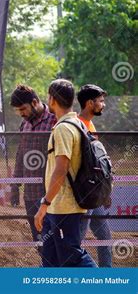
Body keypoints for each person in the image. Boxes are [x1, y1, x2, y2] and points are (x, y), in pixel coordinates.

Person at [34, 79, 97, 267]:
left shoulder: (63, 128)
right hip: (58, 206)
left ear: (52, 99)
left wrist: (44, 203)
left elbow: (60, 170)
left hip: (63, 207)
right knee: (50, 261)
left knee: (73, 258)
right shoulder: (77, 124)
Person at [9, 85, 56, 253]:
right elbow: (20, 154)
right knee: (39, 243)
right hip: (30, 195)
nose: (21, 113)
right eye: (18, 110)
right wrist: (15, 185)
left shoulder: (54, 121)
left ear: (35, 102)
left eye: (23, 109)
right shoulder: (25, 125)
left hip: (52, 196)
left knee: (55, 243)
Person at [77, 84, 112, 267]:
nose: (103, 104)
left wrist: (104, 192)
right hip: (84, 192)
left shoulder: (90, 123)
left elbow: (97, 163)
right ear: (90, 103)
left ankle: (106, 276)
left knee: (105, 236)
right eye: (100, 101)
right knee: (77, 241)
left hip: (95, 191)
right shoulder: (78, 125)